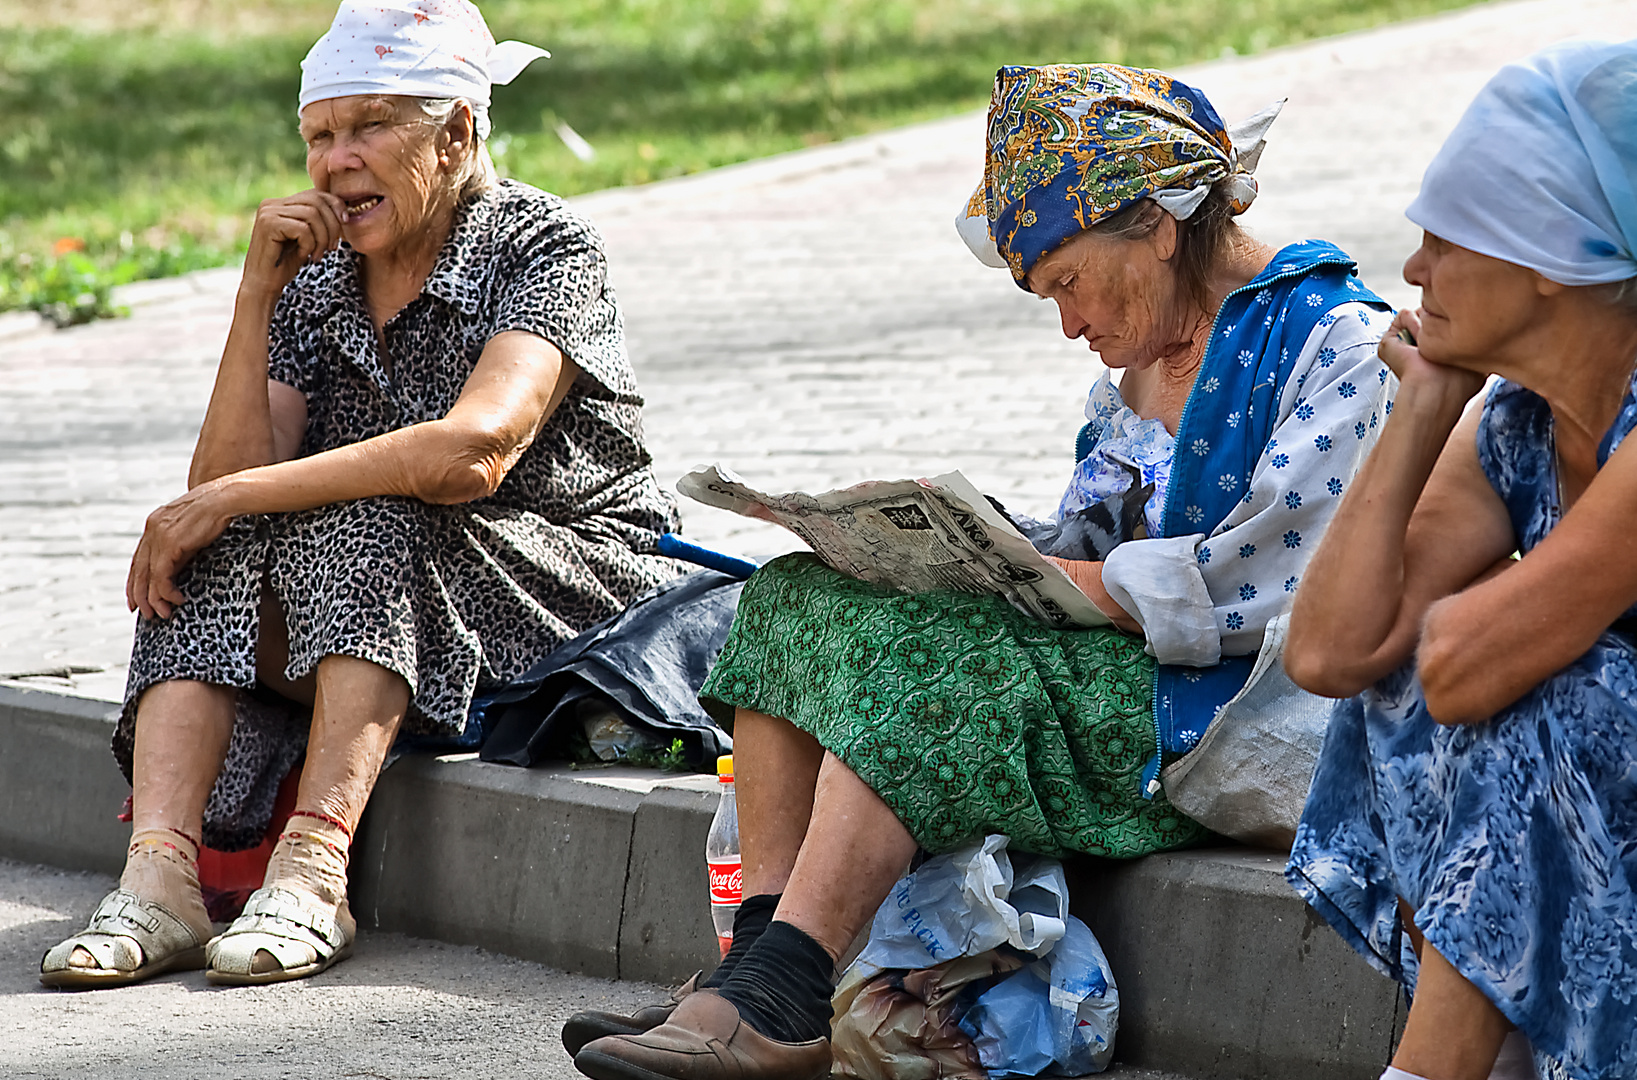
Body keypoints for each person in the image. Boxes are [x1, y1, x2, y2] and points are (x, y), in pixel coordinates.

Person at [563, 63, 1396, 1080]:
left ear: (1156, 225)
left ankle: (785, 998)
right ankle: (755, 977)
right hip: (1129, 668)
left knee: (940, 664)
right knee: (790, 599)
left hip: (1238, 715)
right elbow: (1091, 544)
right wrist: (961, 543)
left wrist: (1067, 584)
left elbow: (1286, 584)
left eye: (1065, 282)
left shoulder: (1335, 344)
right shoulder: (1131, 369)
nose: (1066, 322)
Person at [40, 0, 681, 989]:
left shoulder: (546, 248)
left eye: (370, 127)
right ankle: (160, 874)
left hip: (567, 574)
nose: (338, 162)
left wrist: (234, 495)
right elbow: (220, 485)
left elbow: (473, 452)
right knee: (210, 536)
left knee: (362, 515)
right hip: (377, 592)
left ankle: (313, 869)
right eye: (319, 137)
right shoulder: (319, 274)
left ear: (458, 130)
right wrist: (256, 296)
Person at [1284, 39, 1637, 1080]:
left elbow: (1463, 667)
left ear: (1543, 261)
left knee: (1563, 696)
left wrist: (1465, 629)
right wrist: (1422, 406)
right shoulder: (1516, 422)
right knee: (1400, 674)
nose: (1410, 272)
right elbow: (1326, 653)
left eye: (1445, 238)